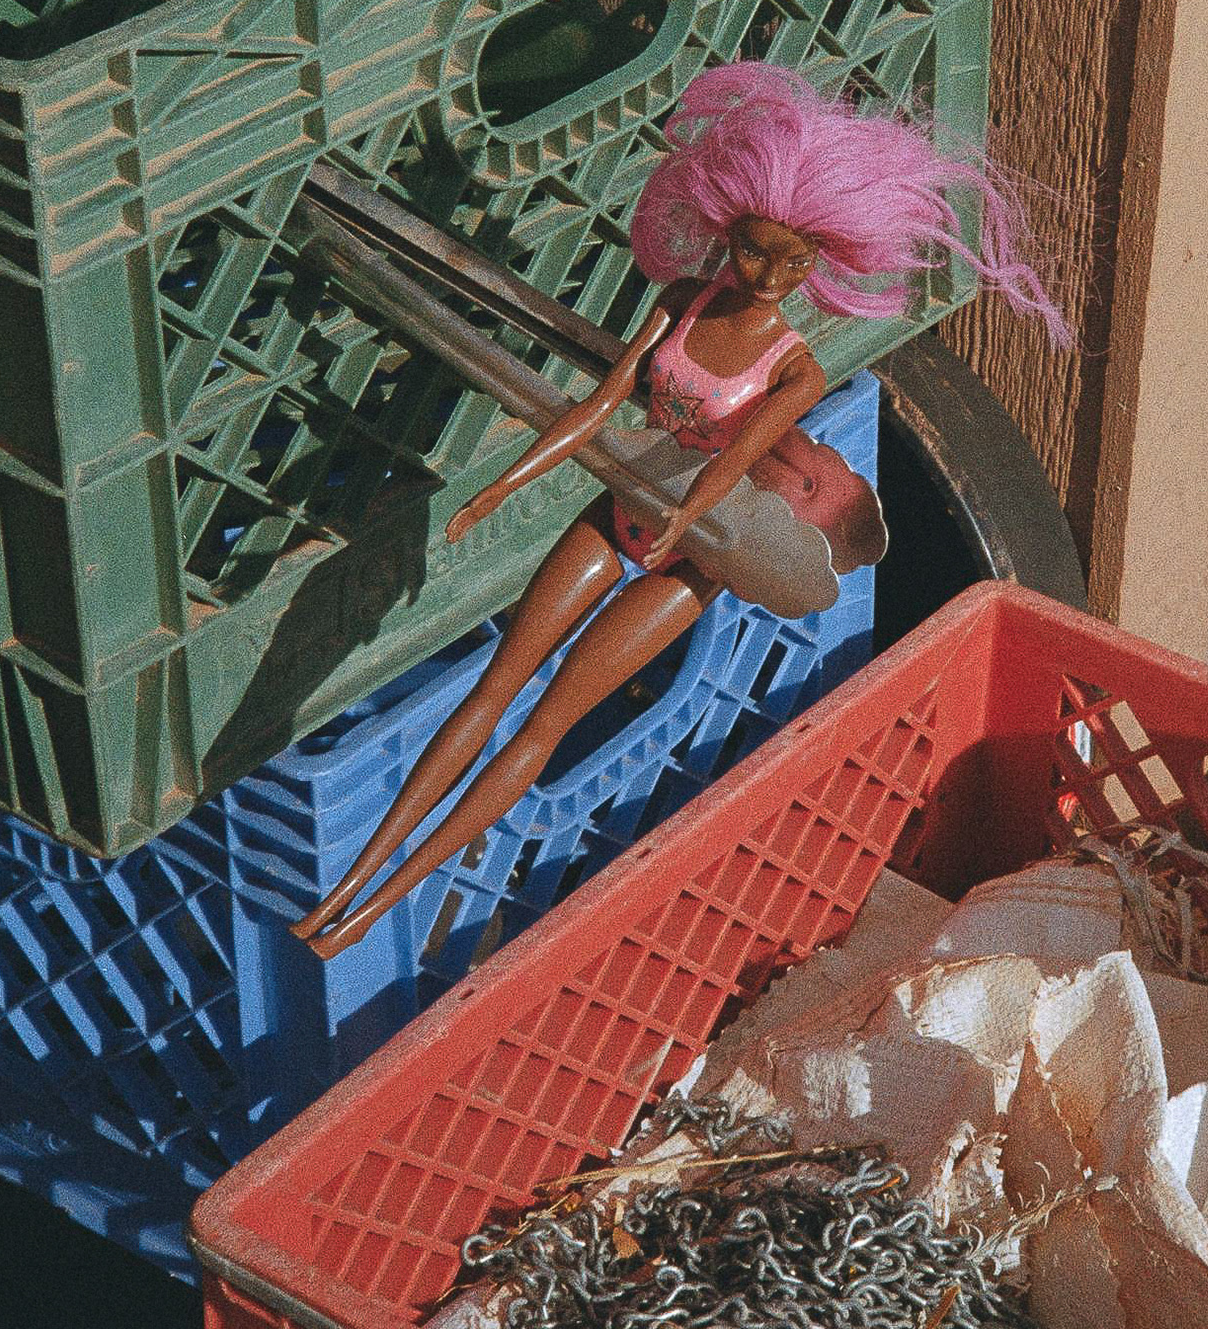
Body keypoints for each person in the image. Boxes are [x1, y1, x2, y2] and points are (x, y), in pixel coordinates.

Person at [291, 61, 1068, 957]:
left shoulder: (795, 369)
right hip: (623, 506)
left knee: (545, 724)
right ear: (723, 228)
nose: (771, 275)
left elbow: (732, 460)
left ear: (821, 259)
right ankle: (350, 889)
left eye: (796, 261)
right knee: (497, 682)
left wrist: (685, 515)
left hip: (690, 558)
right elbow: (596, 408)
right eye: (755, 250)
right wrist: (506, 484)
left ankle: (380, 903)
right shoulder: (680, 304)